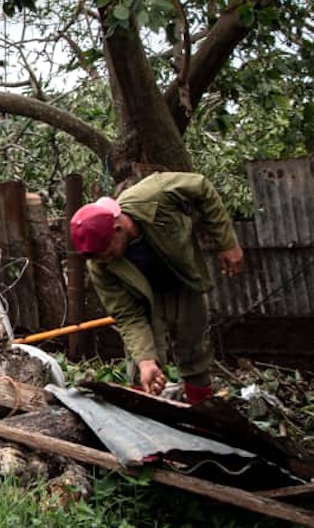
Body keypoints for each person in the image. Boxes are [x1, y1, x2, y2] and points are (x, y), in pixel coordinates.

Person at [68, 171, 244, 404]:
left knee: (195, 354)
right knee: (140, 366)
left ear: (118, 229)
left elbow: (201, 187)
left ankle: (202, 414)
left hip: (183, 283)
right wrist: (145, 360)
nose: (105, 261)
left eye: (109, 253)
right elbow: (127, 315)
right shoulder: (100, 266)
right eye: (99, 258)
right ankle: (146, 419)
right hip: (144, 301)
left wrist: (227, 242)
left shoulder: (155, 195)